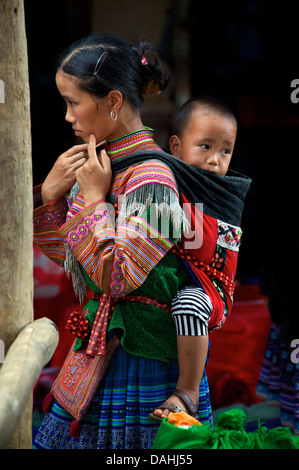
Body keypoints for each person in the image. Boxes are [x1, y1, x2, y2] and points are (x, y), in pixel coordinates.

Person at [32, 34, 213, 450]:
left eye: (73, 102)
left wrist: (94, 202)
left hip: (145, 361)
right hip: (103, 348)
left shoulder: (154, 181)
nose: (66, 116)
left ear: (113, 100)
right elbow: (74, 261)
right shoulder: (100, 166)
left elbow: (116, 279)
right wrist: (50, 199)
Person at [148, 96, 242, 422]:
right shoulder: (165, 176)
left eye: (225, 150)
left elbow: (199, 244)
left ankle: (186, 390)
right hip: (183, 279)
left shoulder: (222, 195)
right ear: (176, 146)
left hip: (211, 289)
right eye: (205, 146)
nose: (215, 160)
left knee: (187, 305)